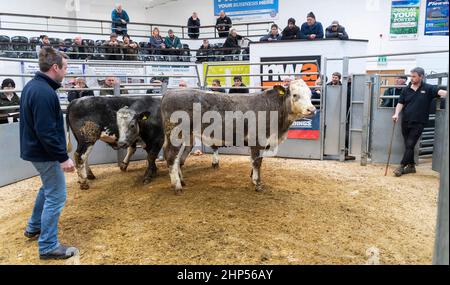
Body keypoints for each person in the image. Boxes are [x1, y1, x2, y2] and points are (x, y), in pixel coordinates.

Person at [19, 47, 78, 260]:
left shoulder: (34, 86)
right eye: (65, 67)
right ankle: (48, 245)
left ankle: (33, 227)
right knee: (57, 195)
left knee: (48, 189)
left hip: (36, 150)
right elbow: (45, 130)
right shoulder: (44, 92)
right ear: (55, 67)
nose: (66, 71)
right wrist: (62, 157)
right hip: (44, 153)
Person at [392, 67, 447, 177]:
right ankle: (411, 166)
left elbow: (441, 92)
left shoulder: (428, 88)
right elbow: (400, 103)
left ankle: (401, 166)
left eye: (414, 76)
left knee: (410, 143)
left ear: (421, 77)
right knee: (408, 144)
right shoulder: (406, 89)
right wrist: (396, 113)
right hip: (406, 121)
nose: (411, 78)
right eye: (411, 76)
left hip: (419, 122)